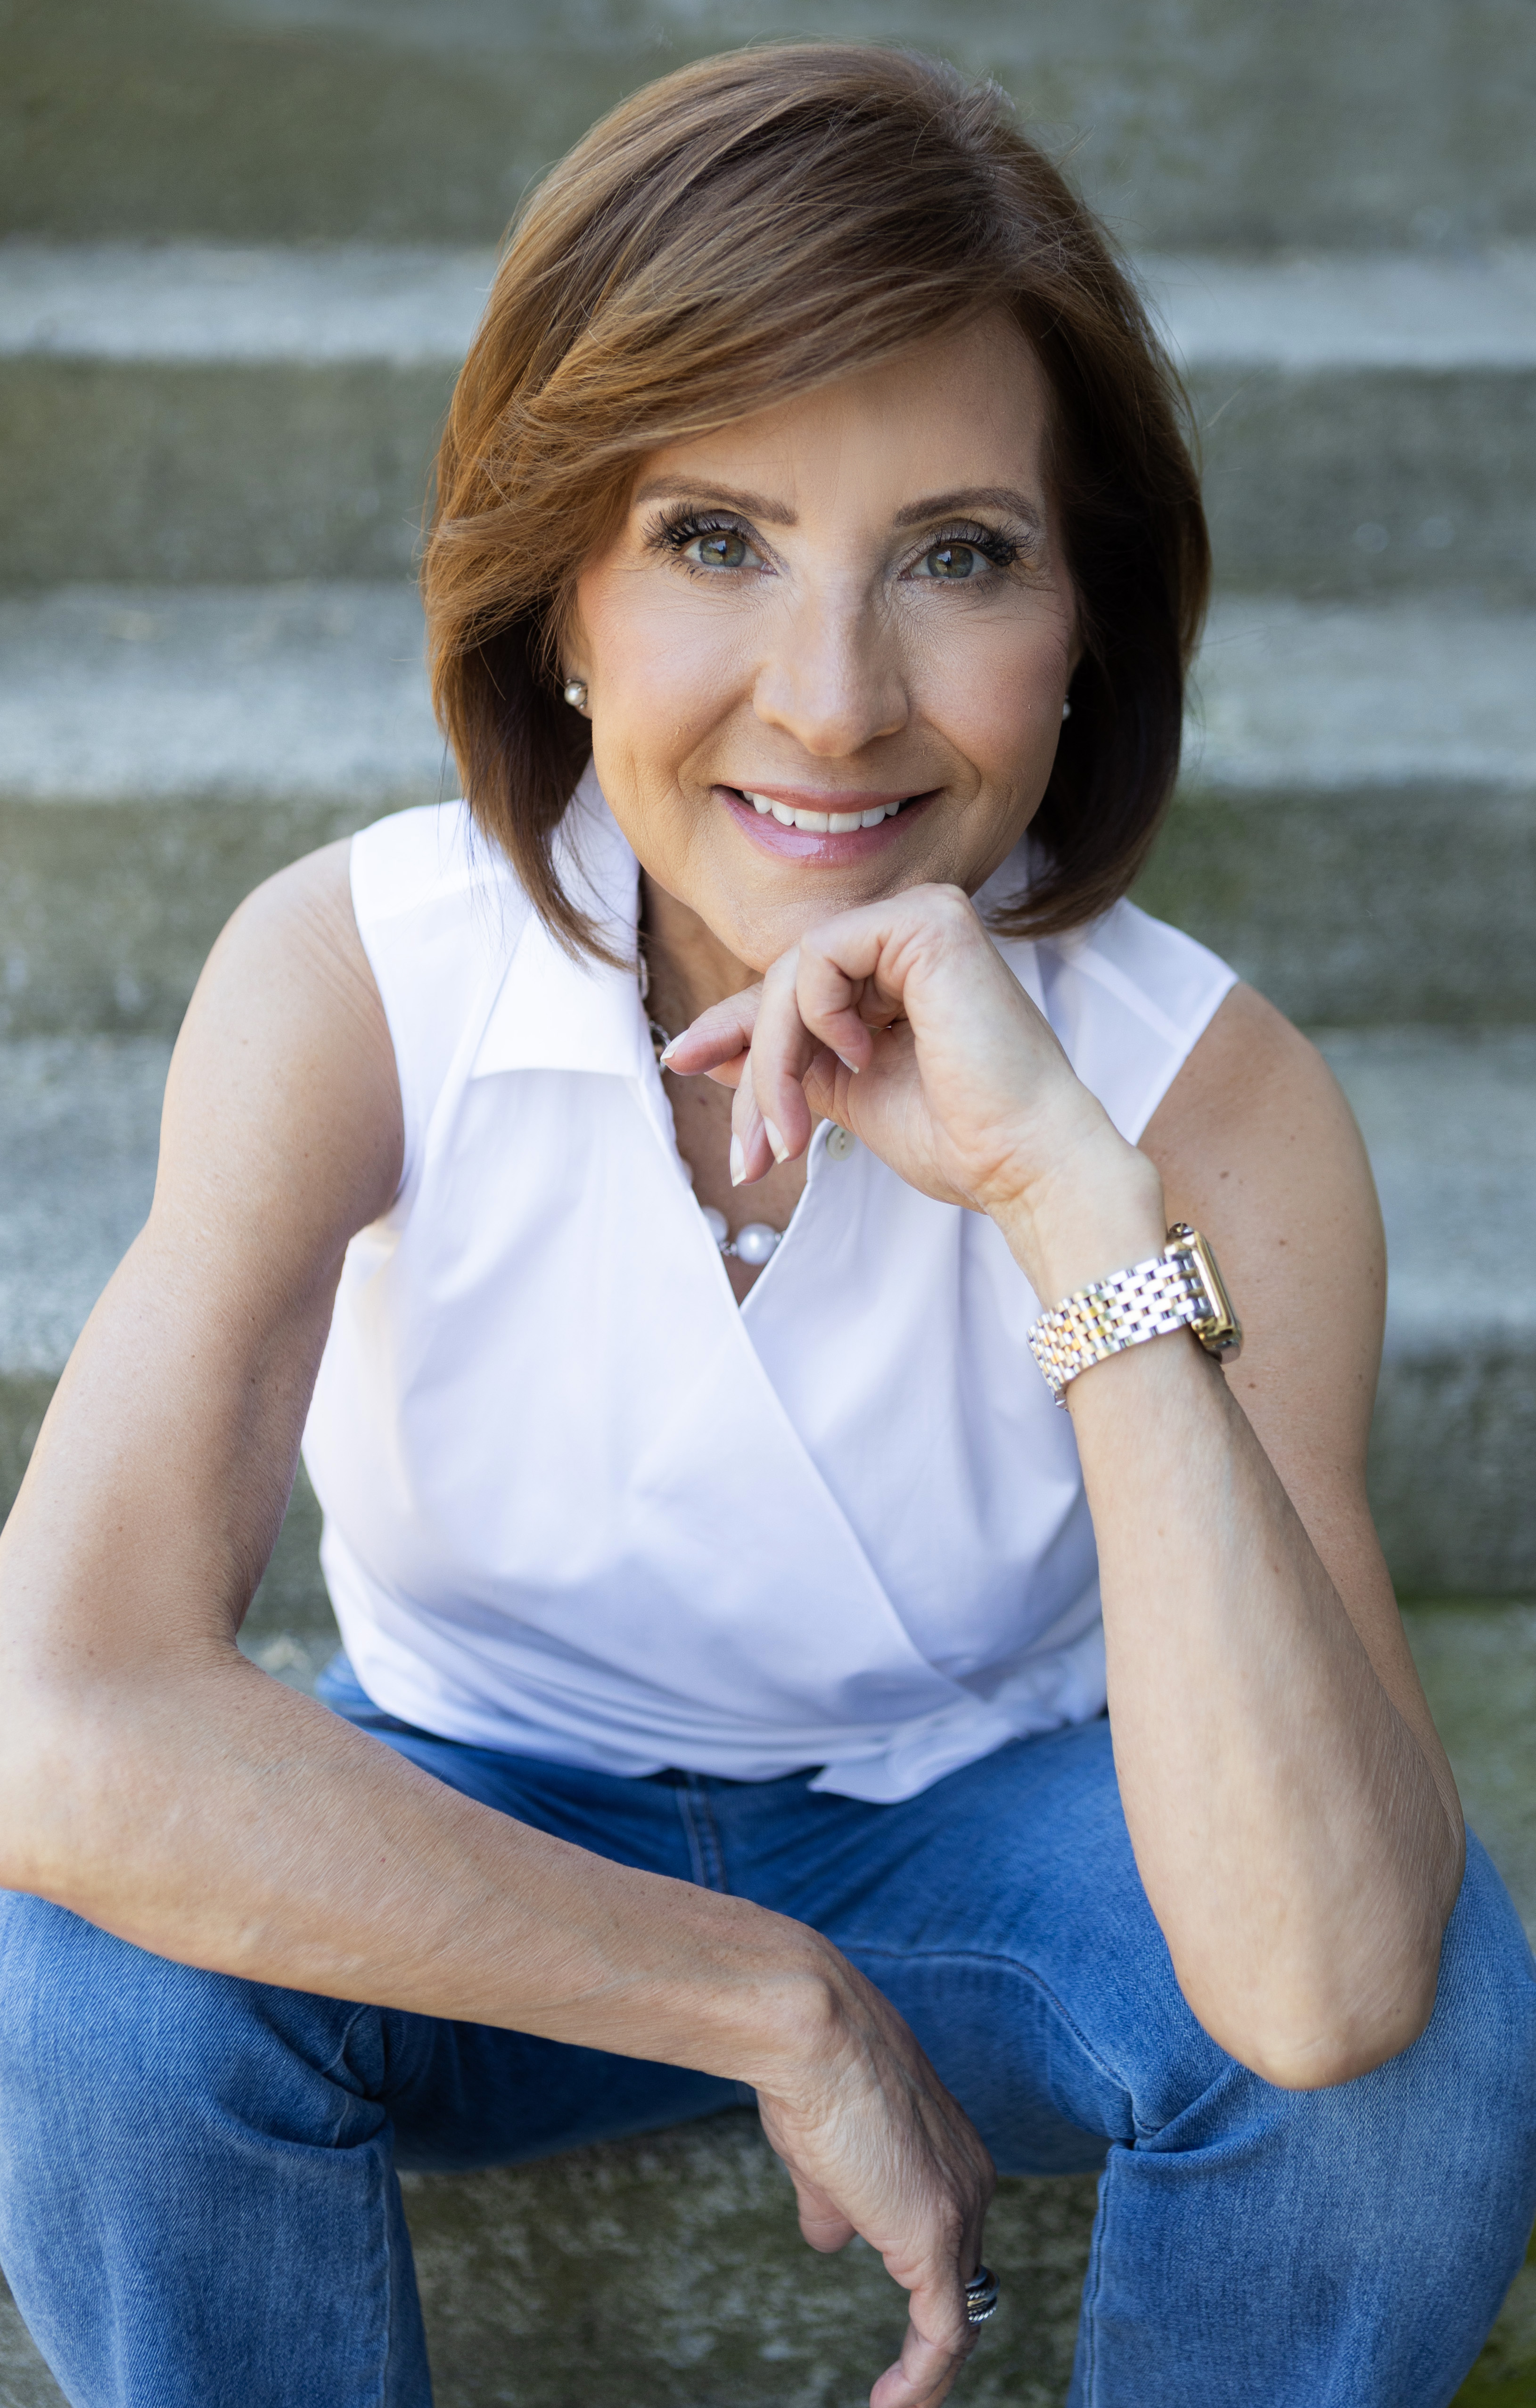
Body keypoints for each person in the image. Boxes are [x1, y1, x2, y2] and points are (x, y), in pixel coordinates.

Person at [0, 43, 1531, 2408]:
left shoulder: (1209, 1099)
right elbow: (59, 1716)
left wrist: (1061, 1193)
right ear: (561, 590)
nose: (828, 706)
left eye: (956, 554)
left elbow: (1318, 1982)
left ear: (1083, 623)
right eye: (714, 537)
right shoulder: (361, 976)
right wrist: (762, 1998)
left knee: (1420, 2024)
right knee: (84, 1957)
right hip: (481, 1812)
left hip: (992, 1843)